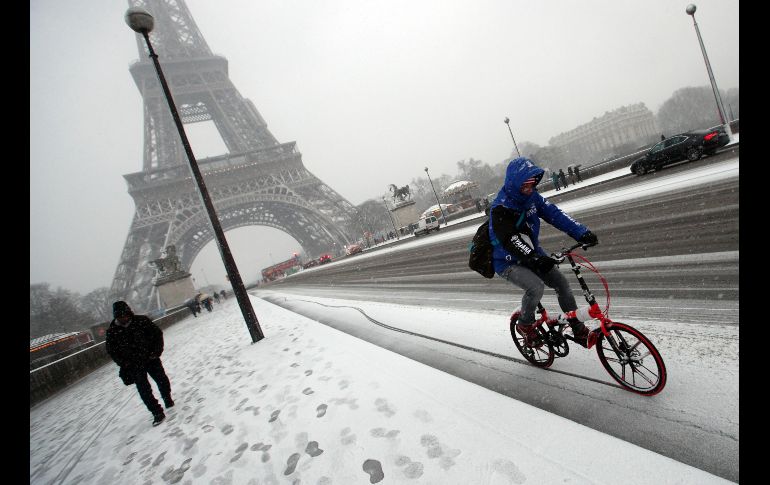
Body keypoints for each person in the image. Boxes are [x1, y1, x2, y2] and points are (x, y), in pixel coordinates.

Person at [489, 157, 600, 349]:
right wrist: (535, 258)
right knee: (536, 287)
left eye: (533, 182)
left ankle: (576, 326)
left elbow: (555, 215)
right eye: (526, 183)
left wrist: (581, 232)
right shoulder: (501, 208)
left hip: (532, 252)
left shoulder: (533, 198)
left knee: (561, 283)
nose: (530, 187)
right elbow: (510, 240)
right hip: (507, 260)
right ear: (515, 182)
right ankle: (525, 324)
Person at [106, 301, 174, 426]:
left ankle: (167, 397)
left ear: (129, 312)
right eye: (120, 317)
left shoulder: (142, 321)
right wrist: (123, 363)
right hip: (133, 365)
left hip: (150, 358)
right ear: (116, 317)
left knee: (161, 380)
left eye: (125, 315)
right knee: (144, 390)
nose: (123, 318)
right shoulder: (112, 332)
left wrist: (156, 351)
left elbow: (157, 334)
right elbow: (112, 351)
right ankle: (156, 412)